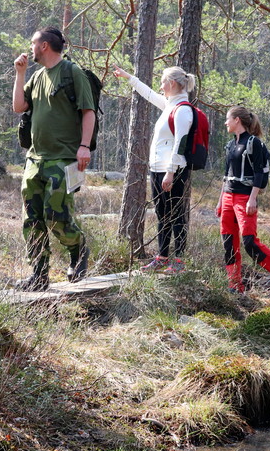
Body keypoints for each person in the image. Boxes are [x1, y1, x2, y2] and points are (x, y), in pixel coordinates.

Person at [11, 27, 96, 291]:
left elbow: (88, 111)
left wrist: (84, 147)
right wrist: (20, 73)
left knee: (56, 215)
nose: (31, 47)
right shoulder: (36, 77)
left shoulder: (73, 73)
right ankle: (38, 275)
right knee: (32, 218)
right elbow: (18, 107)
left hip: (67, 159)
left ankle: (78, 249)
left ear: (44, 45)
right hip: (35, 159)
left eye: (33, 43)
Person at [112, 65, 196, 272]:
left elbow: (181, 143)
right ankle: (162, 257)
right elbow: (148, 94)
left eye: (162, 81)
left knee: (176, 214)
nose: (160, 86)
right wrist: (129, 77)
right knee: (162, 215)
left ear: (172, 83)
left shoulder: (183, 109)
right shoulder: (170, 105)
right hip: (158, 169)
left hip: (173, 171)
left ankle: (179, 262)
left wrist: (170, 172)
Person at [216, 106, 270, 294]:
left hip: (245, 198)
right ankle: (234, 286)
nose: (225, 122)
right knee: (228, 242)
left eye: (228, 119)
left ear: (237, 120)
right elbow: (226, 175)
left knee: (249, 242)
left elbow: (259, 173)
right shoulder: (230, 145)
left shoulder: (254, 143)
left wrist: (252, 199)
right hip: (228, 196)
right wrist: (220, 201)